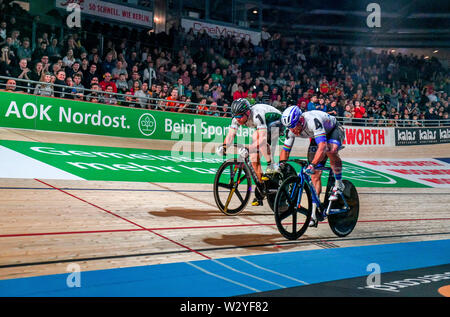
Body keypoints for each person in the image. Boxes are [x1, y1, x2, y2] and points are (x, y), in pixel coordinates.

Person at [279, 106, 345, 227]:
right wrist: (281, 166)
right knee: (314, 176)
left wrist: (313, 164)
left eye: (294, 127)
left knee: (330, 150)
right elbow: (285, 151)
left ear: (300, 121)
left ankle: (339, 183)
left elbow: (323, 147)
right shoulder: (291, 128)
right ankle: (314, 214)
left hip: (333, 130)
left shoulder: (312, 121)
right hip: (317, 136)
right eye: (290, 128)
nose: (293, 131)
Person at [217, 98, 283, 207]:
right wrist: (224, 147)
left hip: (276, 122)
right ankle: (262, 189)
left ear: (247, 112)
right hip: (265, 126)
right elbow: (230, 135)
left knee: (256, 137)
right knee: (253, 158)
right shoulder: (236, 118)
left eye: (240, 116)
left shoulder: (257, 114)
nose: (237, 119)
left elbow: (262, 138)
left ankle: (272, 164)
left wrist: (248, 148)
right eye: (235, 116)